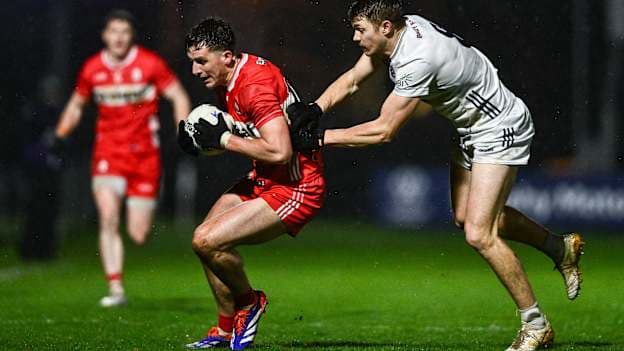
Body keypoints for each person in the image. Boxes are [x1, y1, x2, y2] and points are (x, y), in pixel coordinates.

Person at [288, 1, 584, 350]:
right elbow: (355, 77)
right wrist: (316, 108)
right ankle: (558, 247)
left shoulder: (418, 59)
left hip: (498, 127)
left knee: (479, 233)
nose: (354, 37)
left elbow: (384, 130)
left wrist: (321, 138)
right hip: (470, 129)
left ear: (385, 27)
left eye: (360, 30)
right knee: (466, 218)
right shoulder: (402, 29)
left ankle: (536, 325)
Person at [178, 18, 325, 350]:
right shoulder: (229, 80)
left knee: (207, 240)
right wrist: (202, 145)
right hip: (264, 178)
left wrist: (223, 139)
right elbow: (247, 137)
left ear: (227, 56)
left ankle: (249, 302)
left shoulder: (252, 86)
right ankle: (224, 328)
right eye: (192, 62)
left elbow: (279, 149)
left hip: (297, 187)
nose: (195, 70)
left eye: (201, 61)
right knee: (205, 239)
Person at [52, 9, 191, 307]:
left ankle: (133, 241)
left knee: (138, 234)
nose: (118, 38)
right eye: (113, 32)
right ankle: (116, 288)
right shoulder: (92, 69)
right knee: (108, 217)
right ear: (105, 35)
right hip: (109, 155)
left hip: (144, 157)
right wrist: (60, 135)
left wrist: (183, 129)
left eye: (124, 32)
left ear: (131, 36)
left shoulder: (150, 64)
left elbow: (178, 95)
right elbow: (77, 104)